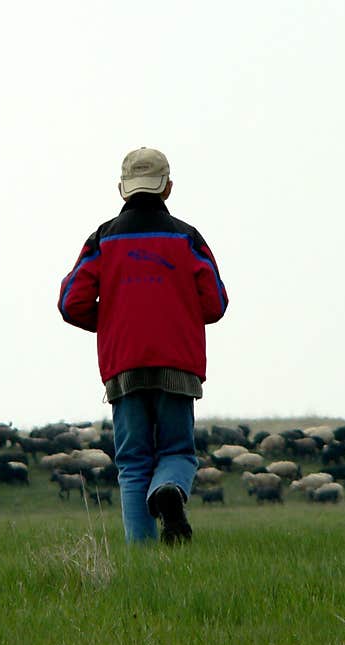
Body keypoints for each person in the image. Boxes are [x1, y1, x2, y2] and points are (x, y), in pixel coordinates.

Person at [58, 147, 228, 545]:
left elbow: (71, 303)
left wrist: (112, 323)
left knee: (132, 463)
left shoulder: (103, 239)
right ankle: (167, 489)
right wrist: (178, 317)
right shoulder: (188, 239)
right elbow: (215, 303)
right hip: (178, 365)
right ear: (168, 188)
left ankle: (143, 561)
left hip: (124, 365)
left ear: (122, 189)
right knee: (178, 452)